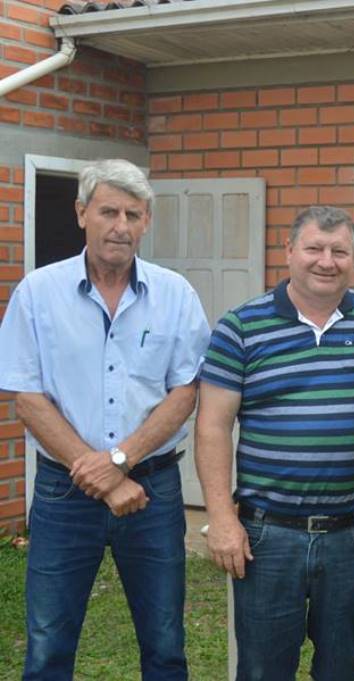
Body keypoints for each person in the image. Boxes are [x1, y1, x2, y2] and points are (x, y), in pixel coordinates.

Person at [0, 159, 210, 680]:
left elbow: (186, 391)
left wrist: (120, 461)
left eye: (133, 214)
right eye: (108, 211)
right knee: (48, 644)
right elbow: (27, 397)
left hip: (152, 490)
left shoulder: (175, 294)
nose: (121, 225)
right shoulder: (37, 294)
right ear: (81, 214)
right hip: (64, 494)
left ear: (147, 222)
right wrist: (101, 476)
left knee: (165, 643)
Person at [195, 206, 354, 681]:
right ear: (288, 252)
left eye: (339, 251)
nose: (326, 261)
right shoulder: (242, 326)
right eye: (314, 248)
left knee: (341, 666)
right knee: (264, 668)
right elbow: (211, 426)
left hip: (352, 534)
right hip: (269, 536)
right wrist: (222, 519)